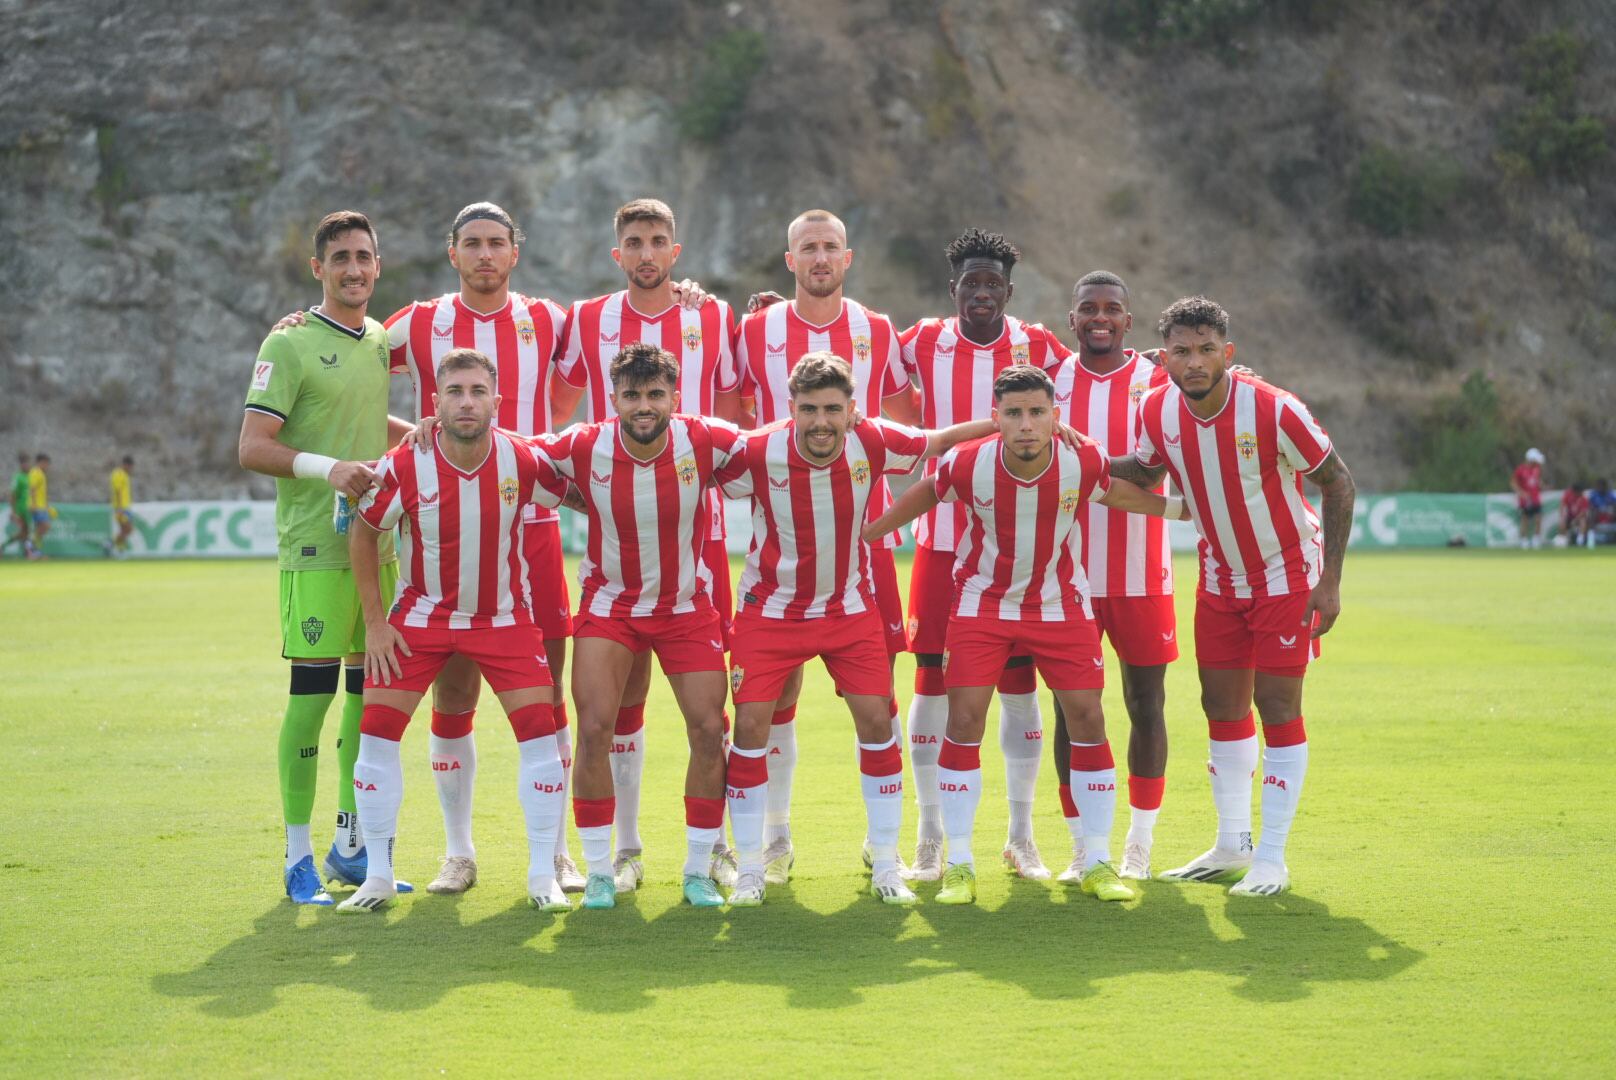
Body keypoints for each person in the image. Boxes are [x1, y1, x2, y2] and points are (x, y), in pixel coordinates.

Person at [275, 202, 580, 895]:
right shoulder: (418, 323)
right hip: (444, 530)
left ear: (514, 253)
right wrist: (298, 320)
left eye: (496, 243)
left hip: (529, 524)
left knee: (548, 695)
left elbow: (598, 361)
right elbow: (349, 341)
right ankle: (458, 851)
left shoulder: (552, 320)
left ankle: (555, 852)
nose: (483, 255)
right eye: (470, 243)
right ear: (452, 253)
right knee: (453, 692)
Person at [864, 365, 1185, 903]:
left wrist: (1180, 509)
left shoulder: (1081, 460)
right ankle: (961, 865)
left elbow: (1120, 494)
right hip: (982, 604)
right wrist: (869, 534)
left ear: (1055, 417)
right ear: (996, 419)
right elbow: (925, 491)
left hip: (1058, 604)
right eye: (1013, 414)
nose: (1026, 424)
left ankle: (1098, 862)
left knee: (1088, 718)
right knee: (963, 721)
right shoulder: (969, 463)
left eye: (1037, 412)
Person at [715, 352, 998, 907]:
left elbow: (937, 440)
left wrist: (1005, 422)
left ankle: (887, 862)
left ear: (853, 410)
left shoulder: (875, 441)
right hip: (770, 611)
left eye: (833, 409)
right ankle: (751, 867)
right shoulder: (755, 452)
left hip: (849, 610)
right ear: (791, 409)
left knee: (877, 724)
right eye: (809, 409)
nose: (821, 421)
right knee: (749, 728)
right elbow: (693, 475)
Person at [1110, 297, 1356, 897]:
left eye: (1206, 350)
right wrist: (1068, 455)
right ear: (1163, 357)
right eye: (1181, 351)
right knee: (1221, 709)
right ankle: (1231, 844)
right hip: (1220, 580)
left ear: (1228, 352)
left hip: (1285, 577)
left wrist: (1330, 581)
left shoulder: (1273, 408)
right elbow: (1141, 474)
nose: (1194, 362)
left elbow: (1338, 482)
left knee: (1277, 708)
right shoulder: (1156, 409)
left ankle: (1272, 857)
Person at [550, 198, 741, 893]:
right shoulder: (587, 320)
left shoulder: (713, 316)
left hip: (700, 539)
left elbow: (741, 414)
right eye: (635, 241)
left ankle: (713, 849)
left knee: (709, 719)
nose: (647, 252)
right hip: (615, 546)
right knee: (612, 713)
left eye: (659, 240)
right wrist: (588, 493)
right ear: (617, 253)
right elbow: (555, 415)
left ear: (676, 250)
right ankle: (620, 853)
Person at [344, 348, 571, 913]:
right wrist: (375, 624)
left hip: (505, 620)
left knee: (541, 740)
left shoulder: (525, 460)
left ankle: (543, 874)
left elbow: (587, 489)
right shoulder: (404, 464)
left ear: (496, 401)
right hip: (420, 620)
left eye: (477, 392)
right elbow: (363, 533)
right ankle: (377, 875)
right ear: (435, 402)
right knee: (375, 737)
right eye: (454, 392)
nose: (466, 402)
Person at [733, 209, 921, 884]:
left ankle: (887, 850)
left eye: (830, 247)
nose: (819, 257)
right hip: (781, 545)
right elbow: (731, 419)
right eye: (807, 247)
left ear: (848, 258)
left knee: (877, 708)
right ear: (789, 261)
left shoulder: (878, 329)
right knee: (769, 706)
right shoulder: (753, 329)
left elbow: (907, 430)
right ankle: (773, 843)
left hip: (860, 552)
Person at [239, 209, 415, 905]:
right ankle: (295, 855)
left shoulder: (377, 341)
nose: (353, 268)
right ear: (318, 268)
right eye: (339, 257)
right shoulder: (288, 344)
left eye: (364, 257)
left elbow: (367, 421)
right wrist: (327, 466)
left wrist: (420, 433)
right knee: (309, 705)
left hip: (378, 546)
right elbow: (252, 447)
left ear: (378, 265)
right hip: (315, 549)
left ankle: (351, 844)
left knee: (366, 704)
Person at [897, 228, 1071, 881]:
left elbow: (1105, 374)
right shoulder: (918, 343)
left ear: (1008, 291)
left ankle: (1021, 837)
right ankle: (931, 836)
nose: (981, 294)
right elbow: (843, 356)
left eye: (992, 284)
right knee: (933, 685)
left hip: (1018, 547)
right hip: (942, 542)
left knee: (1018, 689)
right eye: (971, 283)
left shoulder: (1040, 348)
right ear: (954, 289)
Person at [1046, 271, 1177, 883]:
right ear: (1070, 320)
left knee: (1145, 705)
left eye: (1113, 309)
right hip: (1064, 575)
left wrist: (1083, 459)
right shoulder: (1050, 383)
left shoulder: (1159, 379)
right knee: (1073, 711)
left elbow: (1152, 474)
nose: (1100, 318)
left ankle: (1140, 842)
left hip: (1141, 572)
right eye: (1088, 309)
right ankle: (1083, 844)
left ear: (1130, 320)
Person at [1512, 448, 1545, 549]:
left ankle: (1536, 540)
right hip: (1525, 501)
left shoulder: (1537, 469)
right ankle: (1524, 541)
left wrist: (1542, 486)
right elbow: (1513, 483)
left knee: (1538, 519)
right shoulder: (1520, 469)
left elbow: (1538, 482)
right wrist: (1521, 493)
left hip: (1536, 499)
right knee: (1524, 520)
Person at [5, 453, 32, 558]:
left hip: (29, 507)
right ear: (21, 465)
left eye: (28, 463)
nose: (26, 466)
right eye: (24, 464)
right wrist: (12, 511)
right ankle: (29, 552)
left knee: (24, 532)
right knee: (28, 531)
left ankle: (4, 545)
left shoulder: (30, 476)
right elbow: (13, 494)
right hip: (21, 508)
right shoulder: (18, 477)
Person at [107, 455, 134, 558]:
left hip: (125, 507)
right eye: (130, 467)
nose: (131, 469)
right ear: (126, 465)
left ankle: (120, 550)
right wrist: (119, 508)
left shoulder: (124, 475)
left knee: (124, 530)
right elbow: (117, 491)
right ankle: (111, 543)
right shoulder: (118, 474)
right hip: (121, 507)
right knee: (128, 529)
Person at [27, 453, 53, 558]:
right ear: (41, 462)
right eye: (46, 463)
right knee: (45, 526)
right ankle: (30, 544)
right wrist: (33, 504)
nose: (47, 466)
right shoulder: (35, 473)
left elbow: (42, 491)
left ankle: (34, 551)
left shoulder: (41, 473)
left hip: (41, 505)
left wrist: (47, 505)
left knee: (41, 527)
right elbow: (32, 488)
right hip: (37, 506)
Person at [1586, 478, 1615, 548]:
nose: (1600, 488)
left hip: (1609, 514)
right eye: (1598, 486)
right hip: (1597, 516)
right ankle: (1591, 540)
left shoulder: (1610, 494)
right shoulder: (1593, 495)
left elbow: (1614, 506)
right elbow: (1591, 507)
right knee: (1591, 514)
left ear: (1605, 486)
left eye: (1601, 486)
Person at [1560, 482, 1590, 547]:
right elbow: (1563, 506)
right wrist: (1564, 516)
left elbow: (1583, 512)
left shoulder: (1584, 498)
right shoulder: (1567, 495)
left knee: (1583, 521)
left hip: (1578, 518)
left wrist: (1575, 520)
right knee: (1563, 520)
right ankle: (1564, 540)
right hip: (1569, 517)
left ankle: (1580, 540)